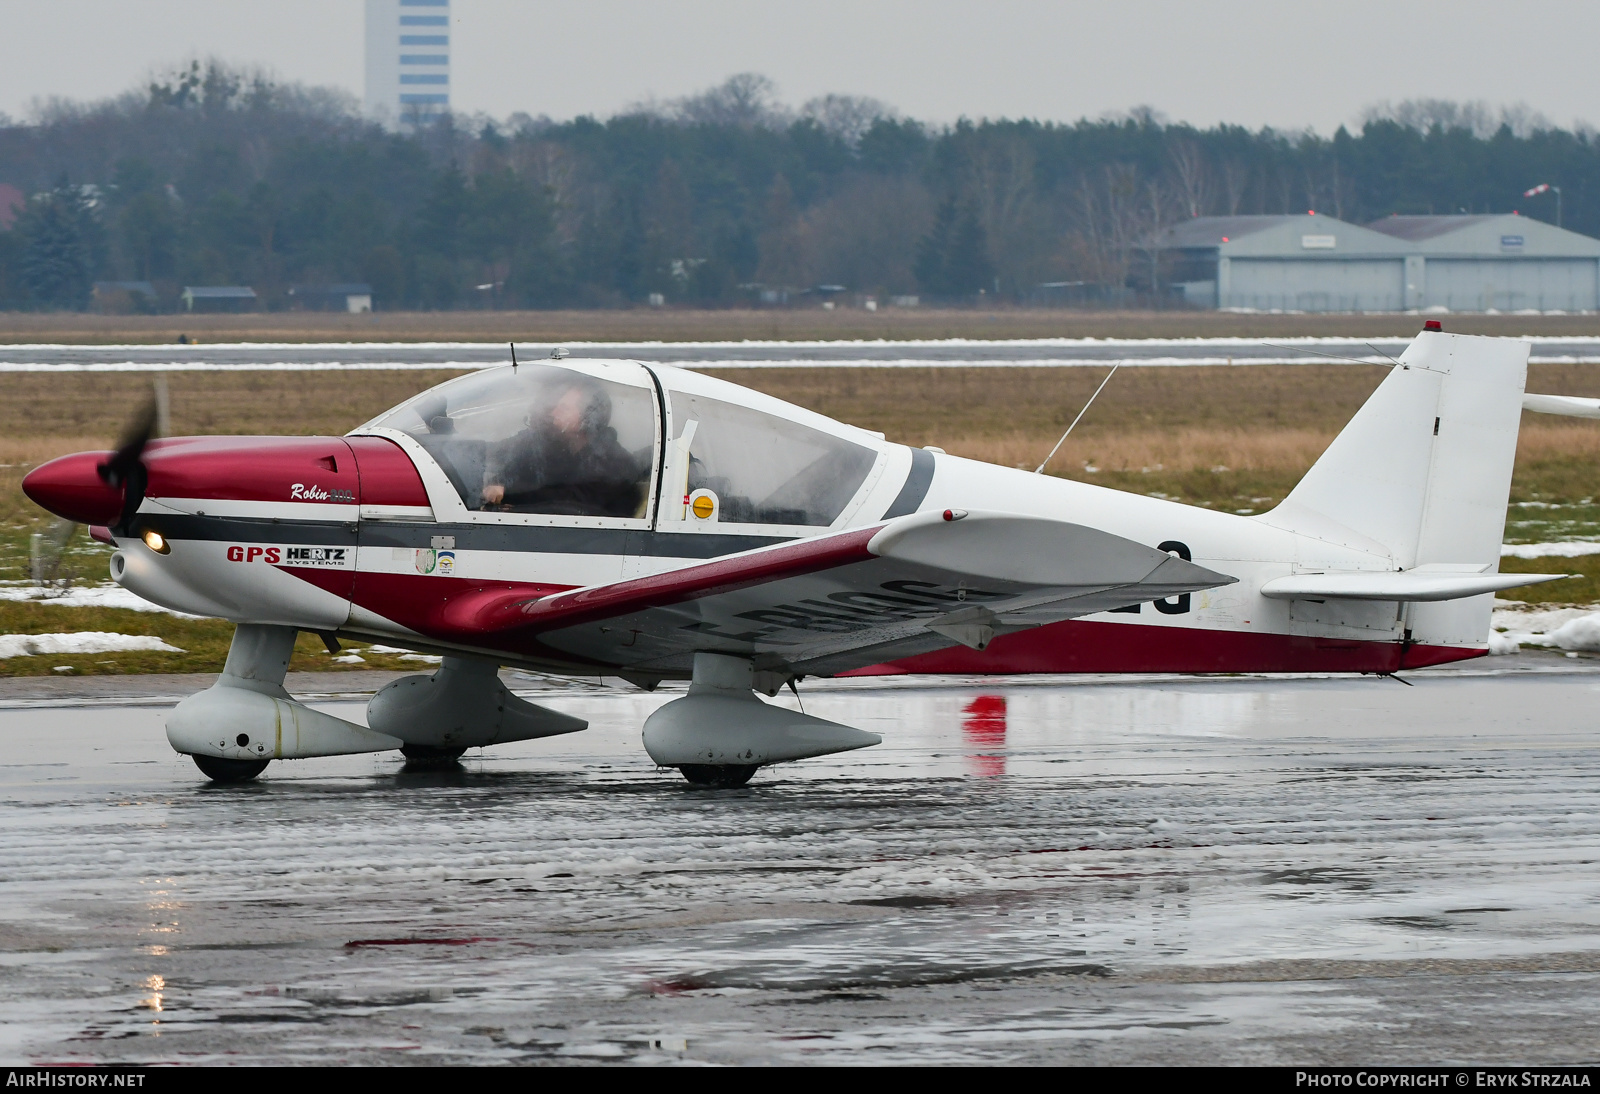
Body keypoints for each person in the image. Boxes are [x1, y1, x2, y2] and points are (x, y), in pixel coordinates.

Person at [481, 378, 644, 517]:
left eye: (564, 408)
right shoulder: (556, 449)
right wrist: (499, 482)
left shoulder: (615, 463)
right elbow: (511, 460)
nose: (554, 413)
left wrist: (511, 493)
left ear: (589, 417)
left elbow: (568, 499)